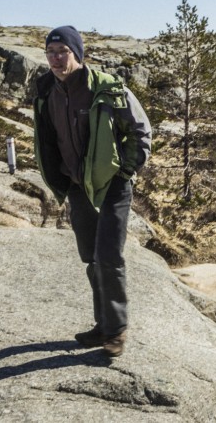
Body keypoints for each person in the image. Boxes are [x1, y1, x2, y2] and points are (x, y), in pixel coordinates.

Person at [33, 26, 151, 358]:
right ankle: (102, 326)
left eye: (62, 51)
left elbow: (141, 132)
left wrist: (126, 171)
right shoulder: (46, 91)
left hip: (112, 185)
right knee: (91, 257)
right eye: (51, 52)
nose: (56, 58)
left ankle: (116, 331)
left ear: (77, 54)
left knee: (109, 257)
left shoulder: (107, 88)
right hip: (77, 186)